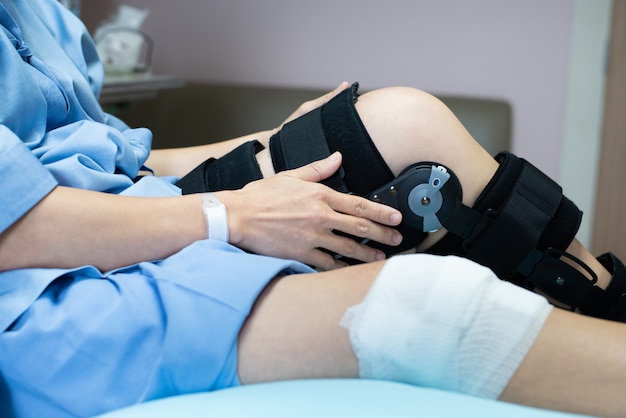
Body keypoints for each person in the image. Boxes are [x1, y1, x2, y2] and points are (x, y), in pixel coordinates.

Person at [1, 0, 625, 417]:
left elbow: (110, 155)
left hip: (120, 200)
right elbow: (18, 225)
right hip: (38, 276)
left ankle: (606, 297)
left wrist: (270, 142)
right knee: (422, 306)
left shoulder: (40, 11)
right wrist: (233, 215)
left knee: (397, 120)